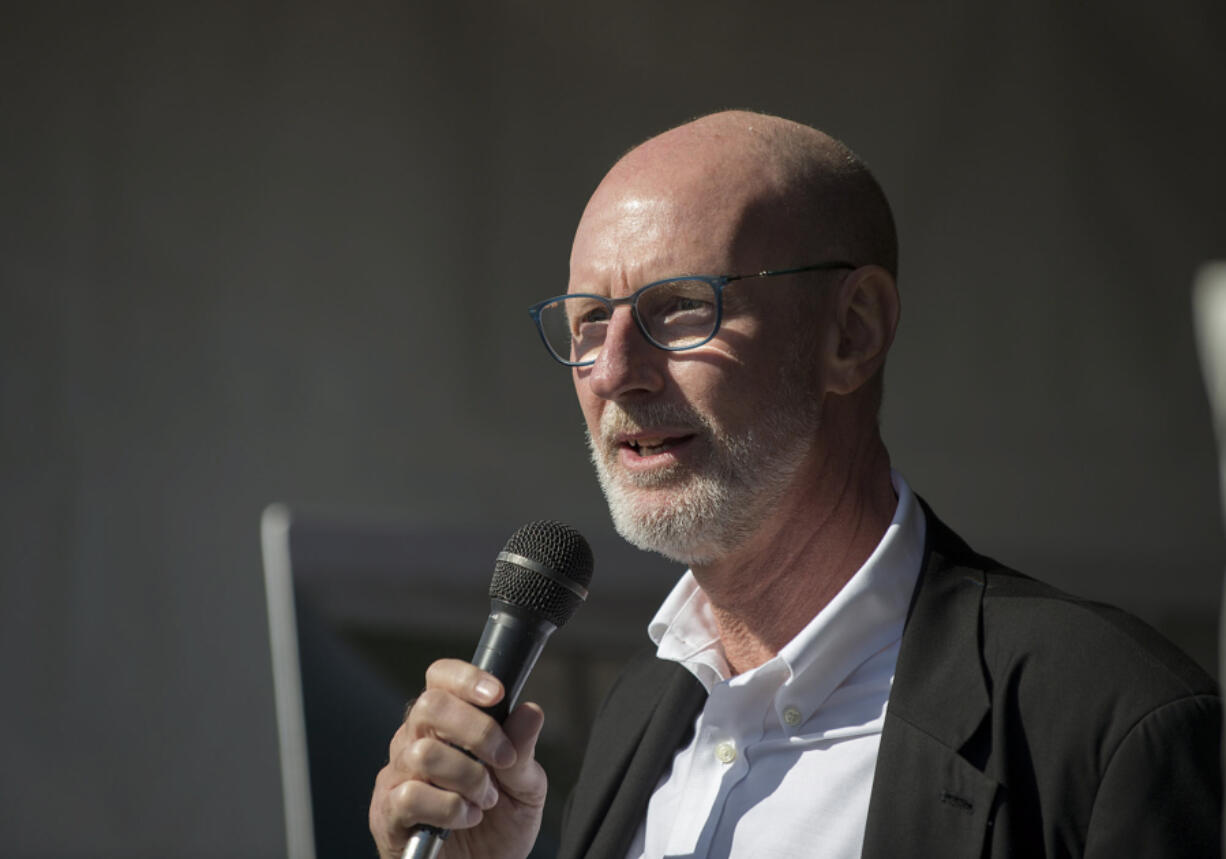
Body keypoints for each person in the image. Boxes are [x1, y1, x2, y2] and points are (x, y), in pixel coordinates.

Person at [369, 111, 1222, 858]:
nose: (615, 372)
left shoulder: (1111, 724)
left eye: (678, 307)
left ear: (853, 331)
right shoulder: (644, 706)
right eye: (590, 320)